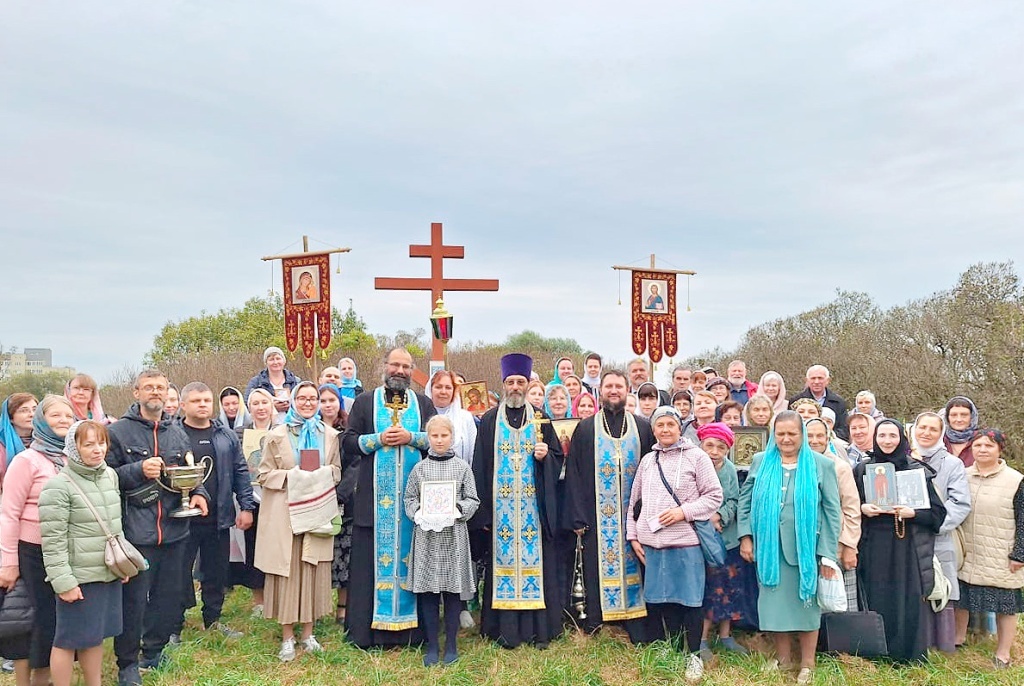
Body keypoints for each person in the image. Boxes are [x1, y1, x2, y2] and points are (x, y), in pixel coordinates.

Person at [105, 370, 208, 686]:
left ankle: (153, 651)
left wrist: (199, 493)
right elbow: (104, 477)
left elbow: (189, 470)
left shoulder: (177, 432)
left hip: (175, 529)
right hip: (137, 532)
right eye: (148, 387)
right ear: (136, 392)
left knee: (168, 597)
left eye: (160, 387)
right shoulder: (117, 433)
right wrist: (137, 469)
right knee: (134, 603)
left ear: (167, 393)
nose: (155, 392)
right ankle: (127, 665)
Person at [738, 410, 842, 685]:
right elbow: (745, 501)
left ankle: (807, 663)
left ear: (802, 435)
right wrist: (746, 537)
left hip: (806, 550)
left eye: (792, 433)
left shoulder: (821, 465)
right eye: (780, 434)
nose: (786, 439)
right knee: (775, 607)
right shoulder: (761, 461)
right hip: (768, 549)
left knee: (807, 607)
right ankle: (783, 660)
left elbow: (832, 511)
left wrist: (827, 553)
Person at [469, 353, 564, 649]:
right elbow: (479, 465)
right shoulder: (489, 420)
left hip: (534, 512)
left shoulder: (540, 417)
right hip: (501, 515)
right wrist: (484, 512)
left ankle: (539, 631)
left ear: (527, 385)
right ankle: (503, 631)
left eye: (520, 382)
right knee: (502, 564)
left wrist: (545, 457)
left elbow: (558, 458)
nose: (515, 387)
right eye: (510, 382)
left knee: (538, 566)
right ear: (504, 384)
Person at [342, 348, 435, 648]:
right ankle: (366, 633)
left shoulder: (423, 403)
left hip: (414, 503)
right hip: (374, 502)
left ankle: (412, 634)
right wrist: (378, 439)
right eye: (395, 364)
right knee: (368, 566)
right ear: (385, 366)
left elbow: (437, 440)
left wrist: (412, 438)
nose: (400, 371)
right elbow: (348, 441)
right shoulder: (366, 402)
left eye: (406, 366)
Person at [627, 407, 723, 683]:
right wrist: (633, 536)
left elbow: (714, 496)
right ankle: (670, 652)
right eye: (660, 425)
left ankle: (693, 655)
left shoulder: (696, 457)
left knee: (689, 602)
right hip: (652, 545)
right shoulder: (648, 460)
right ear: (654, 430)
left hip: (685, 544)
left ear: (679, 428)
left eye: (671, 424)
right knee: (662, 602)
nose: (666, 429)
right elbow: (634, 503)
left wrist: (683, 512)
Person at [565, 370, 657, 643]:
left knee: (637, 566)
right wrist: (578, 516)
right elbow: (574, 475)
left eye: (618, 386)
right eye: (609, 386)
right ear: (600, 391)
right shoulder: (585, 428)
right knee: (595, 567)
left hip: (634, 516)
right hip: (596, 516)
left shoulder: (642, 427)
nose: (614, 391)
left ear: (627, 390)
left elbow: (652, 472)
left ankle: (635, 622)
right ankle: (598, 620)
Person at [256, 382, 341, 661]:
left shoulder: (329, 435)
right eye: (302, 398)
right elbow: (263, 475)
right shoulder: (276, 435)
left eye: (313, 398)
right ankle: (287, 637)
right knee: (288, 572)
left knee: (312, 569)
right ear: (293, 401)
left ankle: (308, 633)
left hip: (317, 512)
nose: (308, 403)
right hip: (286, 514)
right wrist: (294, 477)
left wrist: (320, 476)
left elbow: (337, 471)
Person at [38, 420, 124, 686]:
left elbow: (115, 525)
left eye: (101, 443)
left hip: (106, 572)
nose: (97, 450)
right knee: (67, 640)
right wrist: (64, 582)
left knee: (94, 636)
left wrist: (122, 565)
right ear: (74, 448)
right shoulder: (58, 486)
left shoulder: (110, 475)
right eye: (88, 445)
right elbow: (53, 541)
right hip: (78, 577)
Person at [854, 419, 947, 663]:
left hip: (906, 546)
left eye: (892, 436)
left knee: (906, 598)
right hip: (873, 545)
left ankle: (906, 655)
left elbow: (938, 514)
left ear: (902, 438)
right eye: (882, 435)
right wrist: (863, 508)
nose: (887, 441)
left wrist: (913, 513)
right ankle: (875, 652)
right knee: (875, 595)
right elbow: (848, 506)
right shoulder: (862, 469)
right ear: (875, 438)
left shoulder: (916, 470)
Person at [0, 396, 75, 686]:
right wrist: (8, 562)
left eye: (68, 416)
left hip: (65, 551)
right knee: (31, 620)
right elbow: (9, 513)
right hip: (32, 552)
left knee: (56, 621)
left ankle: (45, 679)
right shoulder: (26, 461)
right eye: (56, 415)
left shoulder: (73, 458)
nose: (63, 420)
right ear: (42, 420)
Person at [172, 383, 254, 641]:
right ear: (183, 405)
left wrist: (247, 506)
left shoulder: (225, 435)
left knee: (216, 572)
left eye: (207, 400)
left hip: (219, 517)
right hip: (181, 520)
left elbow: (240, 471)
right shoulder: (172, 434)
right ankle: (173, 625)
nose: (203, 405)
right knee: (177, 573)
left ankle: (213, 620)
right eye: (196, 401)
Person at [403, 415, 480, 666]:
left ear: (452, 437)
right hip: (427, 537)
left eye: (444, 435)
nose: (439, 440)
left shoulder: (462, 468)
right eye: (434, 436)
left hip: (453, 536)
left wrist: (457, 509)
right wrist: (419, 512)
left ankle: (452, 645)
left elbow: (473, 499)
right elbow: (409, 498)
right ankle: (432, 646)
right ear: (428, 438)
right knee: (429, 591)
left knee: (452, 589)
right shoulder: (420, 469)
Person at [954, 429, 1024, 669]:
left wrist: (1019, 553)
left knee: (1006, 605)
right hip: (968, 550)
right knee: (962, 599)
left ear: (999, 449)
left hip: (1000, 552)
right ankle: (958, 640)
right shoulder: (962, 476)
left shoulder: (1015, 480)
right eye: (978, 445)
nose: (982, 450)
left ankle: (1003, 653)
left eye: (989, 446)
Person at [911, 411, 971, 653]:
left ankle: (942, 646)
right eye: (922, 428)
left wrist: (935, 524)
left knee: (940, 588)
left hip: (939, 536)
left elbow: (960, 503)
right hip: (908, 537)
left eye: (933, 429)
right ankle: (917, 642)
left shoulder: (952, 464)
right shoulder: (905, 458)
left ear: (941, 433)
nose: (926, 433)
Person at [697, 423, 755, 660]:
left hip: (727, 539)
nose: (714, 451)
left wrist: (720, 515)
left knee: (729, 588)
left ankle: (725, 635)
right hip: (701, 538)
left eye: (721, 447)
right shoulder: (694, 465)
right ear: (701, 445)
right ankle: (701, 638)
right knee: (708, 589)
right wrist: (706, 516)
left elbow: (735, 499)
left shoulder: (729, 469)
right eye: (709, 445)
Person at [230, 388, 279, 617]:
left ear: (272, 406)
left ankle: (277, 597)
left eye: (264, 403)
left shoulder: (282, 431)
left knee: (276, 548)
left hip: (277, 497)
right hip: (251, 498)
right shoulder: (239, 434)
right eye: (256, 403)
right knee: (253, 548)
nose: (260, 408)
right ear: (249, 408)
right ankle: (259, 600)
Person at [805, 418, 862, 612]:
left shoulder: (839, 467)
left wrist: (850, 545)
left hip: (836, 545)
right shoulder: (796, 464)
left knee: (838, 606)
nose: (814, 440)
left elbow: (851, 508)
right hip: (806, 545)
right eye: (809, 436)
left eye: (819, 436)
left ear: (828, 438)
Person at [316, 383, 353, 625]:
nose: (328, 405)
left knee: (343, 557)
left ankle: (342, 607)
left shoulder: (347, 430)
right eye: (323, 400)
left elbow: (354, 465)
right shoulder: (311, 430)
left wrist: (339, 494)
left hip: (343, 502)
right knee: (318, 557)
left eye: (332, 400)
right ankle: (317, 607)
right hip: (315, 500)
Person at [789, 365, 850, 441]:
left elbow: (844, 429)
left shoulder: (838, 402)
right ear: (807, 380)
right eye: (813, 378)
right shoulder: (795, 401)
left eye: (820, 378)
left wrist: (826, 436)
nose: (816, 382)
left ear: (828, 380)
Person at [244, 347, 301, 420]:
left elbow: (302, 402)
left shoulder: (296, 381)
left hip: (293, 422)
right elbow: (247, 404)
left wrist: (291, 405)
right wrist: (270, 407)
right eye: (271, 359)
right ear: (266, 363)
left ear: (284, 361)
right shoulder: (256, 382)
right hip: (266, 423)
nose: (275, 362)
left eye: (278, 358)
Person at [0, 393, 37, 488]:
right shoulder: (2, 446)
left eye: (35, 409)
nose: (32, 414)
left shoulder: (44, 443)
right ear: (10, 418)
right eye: (24, 411)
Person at [942, 396, 978, 467]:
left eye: (964, 415)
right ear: (947, 417)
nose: (959, 419)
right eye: (954, 415)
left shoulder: (981, 439)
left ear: (972, 417)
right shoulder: (939, 440)